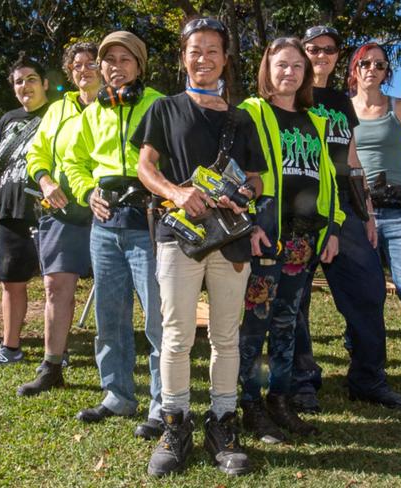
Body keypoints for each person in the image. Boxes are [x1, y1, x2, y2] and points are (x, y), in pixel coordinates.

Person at [133, 18, 266, 477]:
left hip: (230, 240)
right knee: (176, 334)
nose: (204, 58)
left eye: (213, 50)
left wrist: (244, 195)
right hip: (178, 237)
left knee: (227, 335)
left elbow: (257, 177)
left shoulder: (241, 117)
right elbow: (144, 168)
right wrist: (175, 192)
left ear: (225, 59)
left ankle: (224, 424)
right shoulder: (164, 110)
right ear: (183, 57)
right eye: (195, 50)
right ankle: (175, 425)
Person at [289, 26, 401, 412]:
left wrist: (368, 213)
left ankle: (368, 379)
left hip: (345, 210)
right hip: (300, 213)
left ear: (339, 57)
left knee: (369, 292)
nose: (321, 55)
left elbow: (353, 160)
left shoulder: (342, 102)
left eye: (329, 49)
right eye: (313, 48)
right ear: (302, 52)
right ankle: (302, 382)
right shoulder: (288, 95)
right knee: (297, 300)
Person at [238, 37, 344, 444]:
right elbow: (239, 171)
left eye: (297, 67)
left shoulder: (314, 119)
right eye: (281, 65)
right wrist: (249, 223)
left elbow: (329, 178)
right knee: (254, 325)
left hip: (302, 240)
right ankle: (249, 403)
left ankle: (279, 399)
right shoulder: (251, 112)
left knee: (287, 323)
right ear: (267, 69)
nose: (289, 73)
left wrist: (332, 227)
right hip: (266, 237)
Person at [62, 31, 164, 440]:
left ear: (139, 66)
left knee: (159, 317)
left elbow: (176, 155)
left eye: (125, 59)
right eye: (109, 60)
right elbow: (74, 161)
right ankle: (118, 394)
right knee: (109, 315)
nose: (115, 67)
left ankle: (163, 401)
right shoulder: (90, 115)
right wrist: (88, 191)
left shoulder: (160, 104)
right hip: (104, 228)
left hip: (149, 224)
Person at [350, 42, 401, 389]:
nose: (372, 69)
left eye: (380, 65)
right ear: (355, 69)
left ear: (387, 73)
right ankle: (363, 357)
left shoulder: (399, 108)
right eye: (366, 63)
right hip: (356, 212)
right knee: (362, 293)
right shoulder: (342, 111)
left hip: (398, 211)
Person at [19, 43, 101, 394]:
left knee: (116, 291)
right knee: (56, 288)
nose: (84, 70)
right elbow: (36, 153)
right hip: (63, 212)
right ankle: (52, 364)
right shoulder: (57, 111)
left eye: (91, 63)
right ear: (69, 73)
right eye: (77, 66)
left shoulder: (119, 104)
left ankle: (117, 370)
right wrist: (45, 179)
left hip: (107, 210)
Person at [0, 54, 49, 370]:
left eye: (31, 79)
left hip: (48, 212)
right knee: (10, 282)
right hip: (10, 211)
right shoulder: (7, 119)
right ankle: (10, 347)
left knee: (55, 285)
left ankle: (55, 351)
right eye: (19, 81)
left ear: (45, 83)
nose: (25, 85)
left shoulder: (59, 114)